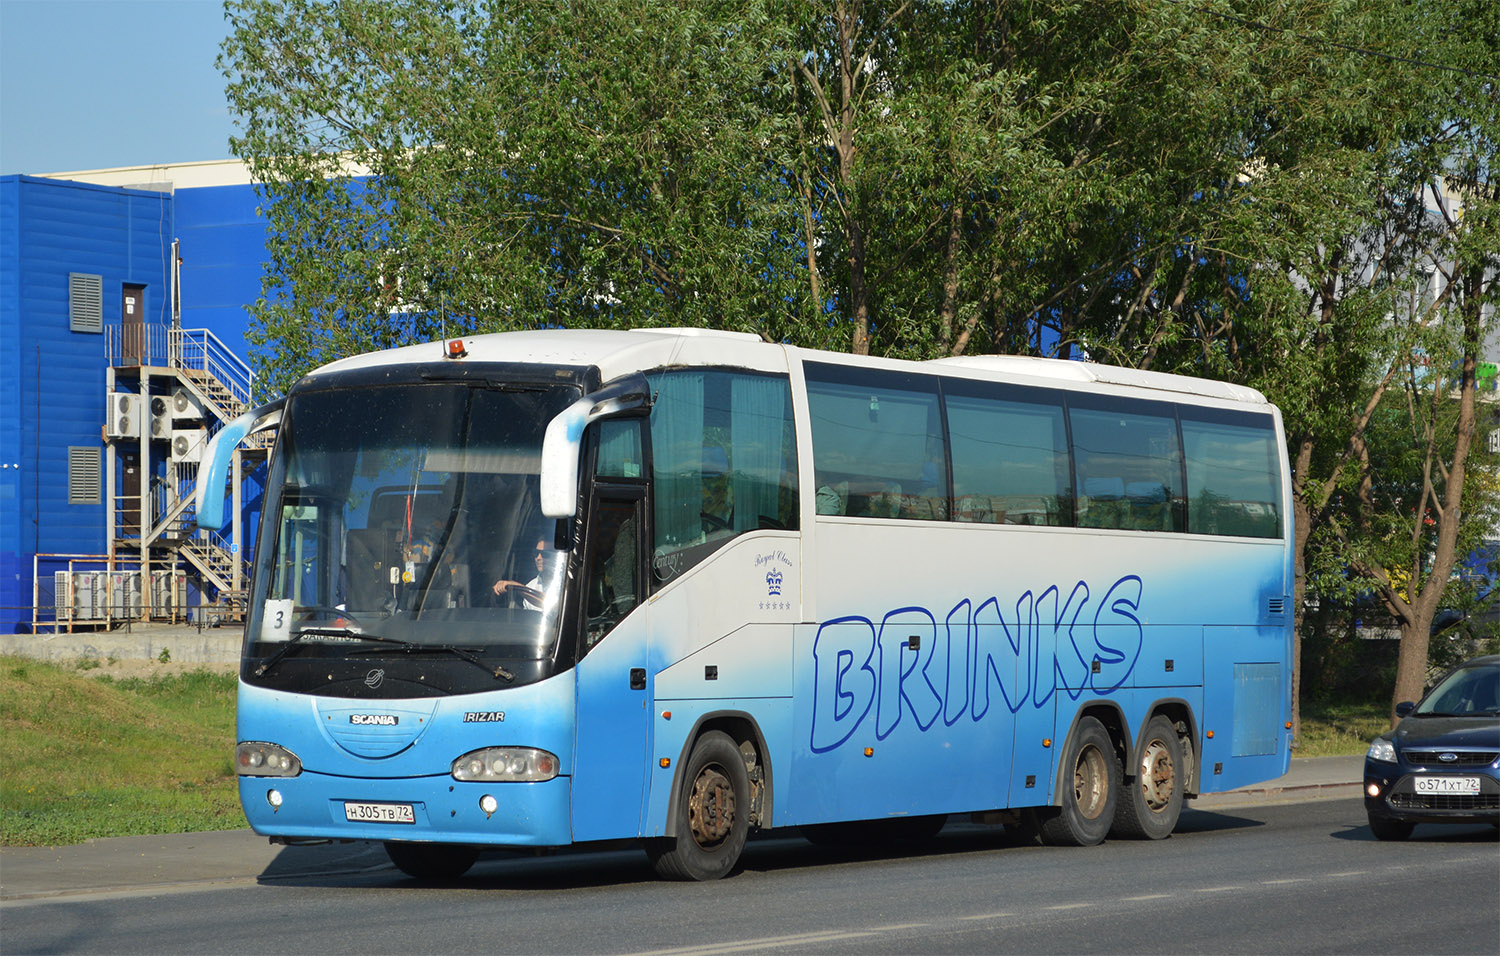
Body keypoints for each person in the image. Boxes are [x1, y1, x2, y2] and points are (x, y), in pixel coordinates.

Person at [492, 538, 552, 610]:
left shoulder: (566, 585)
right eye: (536, 553)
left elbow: (551, 604)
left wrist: (515, 585)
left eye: (545, 554)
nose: (538, 558)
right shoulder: (531, 585)